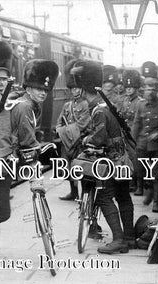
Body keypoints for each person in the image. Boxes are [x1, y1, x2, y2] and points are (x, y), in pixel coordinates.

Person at [0, 59, 59, 263]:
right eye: (38, 88)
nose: (42, 93)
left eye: (45, 90)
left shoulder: (22, 101)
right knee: (3, 212)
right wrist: (35, 167)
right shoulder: (24, 107)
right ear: (28, 87)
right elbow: (27, 141)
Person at [71, 60, 135, 254]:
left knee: (104, 197)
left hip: (111, 162)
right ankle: (130, 238)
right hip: (122, 159)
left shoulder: (98, 110)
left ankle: (118, 240)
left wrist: (85, 140)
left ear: (83, 90)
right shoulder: (106, 104)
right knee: (123, 197)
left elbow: (99, 138)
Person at [55, 59, 90, 201]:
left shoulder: (86, 105)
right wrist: (59, 130)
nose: (75, 91)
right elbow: (59, 122)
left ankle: (82, 195)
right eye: (73, 89)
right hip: (66, 142)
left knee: (79, 167)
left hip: (79, 141)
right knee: (67, 167)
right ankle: (73, 192)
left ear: (82, 89)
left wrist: (64, 131)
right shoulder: (67, 105)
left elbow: (82, 124)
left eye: (77, 88)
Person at [132, 61, 158, 212]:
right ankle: (148, 189)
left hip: (156, 146)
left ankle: (156, 202)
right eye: (147, 88)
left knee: (157, 174)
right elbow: (137, 124)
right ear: (143, 90)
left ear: (157, 90)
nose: (149, 91)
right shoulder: (140, 105)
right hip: (142, 145)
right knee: (141, 170)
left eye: (153, 88)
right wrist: (133, 141)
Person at [116, 69, 144, 194]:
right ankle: (128, 182)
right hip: (123, 134)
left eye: (131, 87)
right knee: (124, 158)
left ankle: (138, 185)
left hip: (134, 136)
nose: (128, 89)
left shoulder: (140, 102)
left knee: (136, 159)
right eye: (127, 87)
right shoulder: (123, 101)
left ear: (136, 87)